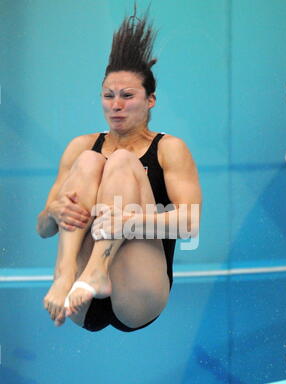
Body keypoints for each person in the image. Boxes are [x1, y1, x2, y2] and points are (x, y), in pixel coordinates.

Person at [37, 9, 202, 332]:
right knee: (89, 160)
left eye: (128, 96)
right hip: (78, 296)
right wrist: (54, 212)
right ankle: (66, 273)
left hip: (138, 292)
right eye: (109, 95)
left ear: (150, 99)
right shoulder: (80, 145)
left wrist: (131, 221)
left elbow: (190, 224)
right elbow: (43, 229)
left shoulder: (170, 148)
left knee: (123, 161)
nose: (116, 105)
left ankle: (98, 269)